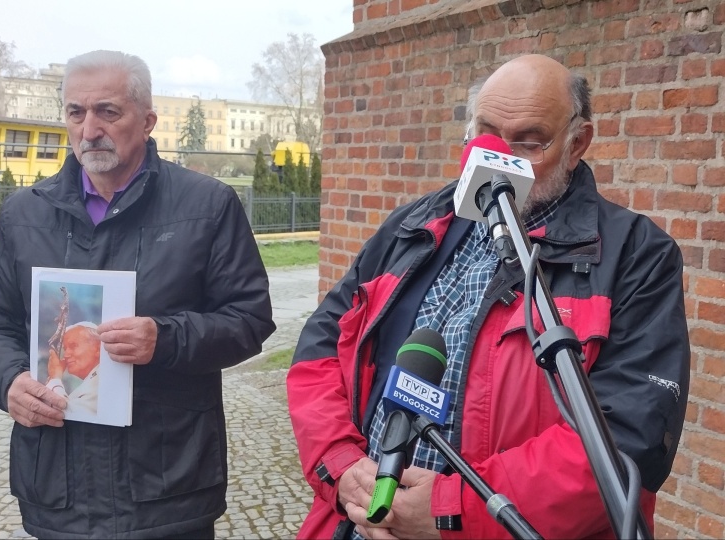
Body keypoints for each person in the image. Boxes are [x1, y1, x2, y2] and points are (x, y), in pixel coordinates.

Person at [287, 54, 690, 539]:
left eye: (528, 141)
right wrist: (341, 463)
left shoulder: (635, 255)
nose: (499, 157)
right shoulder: (412, 227)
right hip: (357, 521)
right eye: (487, 133)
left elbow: (627, 441)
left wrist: (452, 509)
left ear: (577, 142)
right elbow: (321, 349)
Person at [0, 49, 275, 539]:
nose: (90, 129)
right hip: (57, 485)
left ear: (148, 120)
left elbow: (250, 319)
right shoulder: (23, 215)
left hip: (166, 485)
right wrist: (8, 382)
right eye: (76, 112)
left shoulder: (207, 205)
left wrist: (167, 338)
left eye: (107, 112)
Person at [45, 321, 102, 414]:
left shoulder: (101, 382)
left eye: (73, 346)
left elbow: (69, 415)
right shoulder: (93, 380)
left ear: (98, 349)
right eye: (65, 349)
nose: (66, 355)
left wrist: (55, 378)